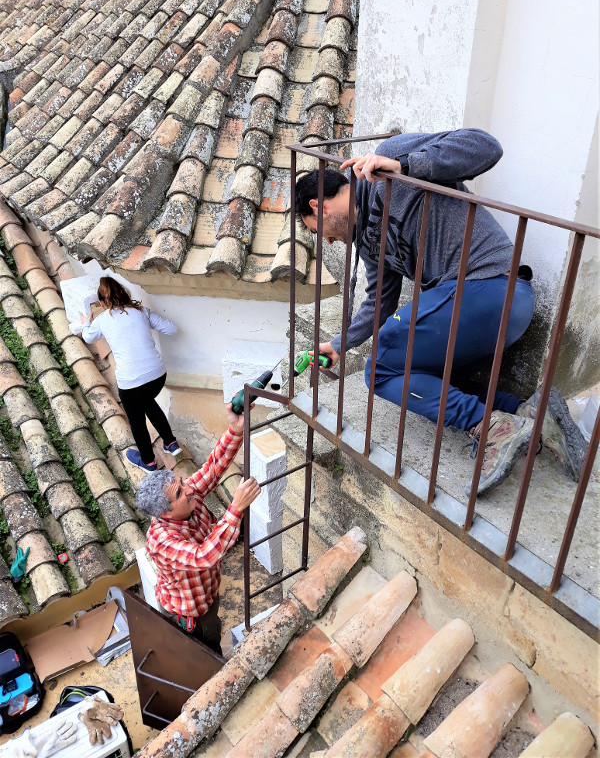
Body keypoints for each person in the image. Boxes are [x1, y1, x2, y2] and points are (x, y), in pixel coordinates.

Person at [295, 129, 586, 494]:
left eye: (321, 233)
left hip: (490, 285)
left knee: (379, 370)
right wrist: (341, 344)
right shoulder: (368, 242)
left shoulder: (390, 165)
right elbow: (380, 301)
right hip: (488, 308)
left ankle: (489, 425)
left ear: (318, 208)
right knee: (424, 369)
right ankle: (529, 413)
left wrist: (406, 165)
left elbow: (487, 147)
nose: (331, 242)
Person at [136, 404, 260, 653]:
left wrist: (235, 431)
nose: (190, 489)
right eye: (181, 492)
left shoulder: (185, 495)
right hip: (187, 619)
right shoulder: (161, 540)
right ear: (165, 513)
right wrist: (235, 509)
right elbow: (203, 556)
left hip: (207, 602)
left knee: (213, 635)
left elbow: (212, 470)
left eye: (181, 483)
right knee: (201, 658)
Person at [80, 276, 181, 473]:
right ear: (125, 294)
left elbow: (88, 336)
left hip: (131, 383)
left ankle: (149, 462)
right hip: (158, 375)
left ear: (101, 303)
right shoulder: (142, 311)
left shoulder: (101, 320)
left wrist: (86, 322)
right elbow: (171, 329)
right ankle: (171, 443)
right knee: (147, 403)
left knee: (136, 421)